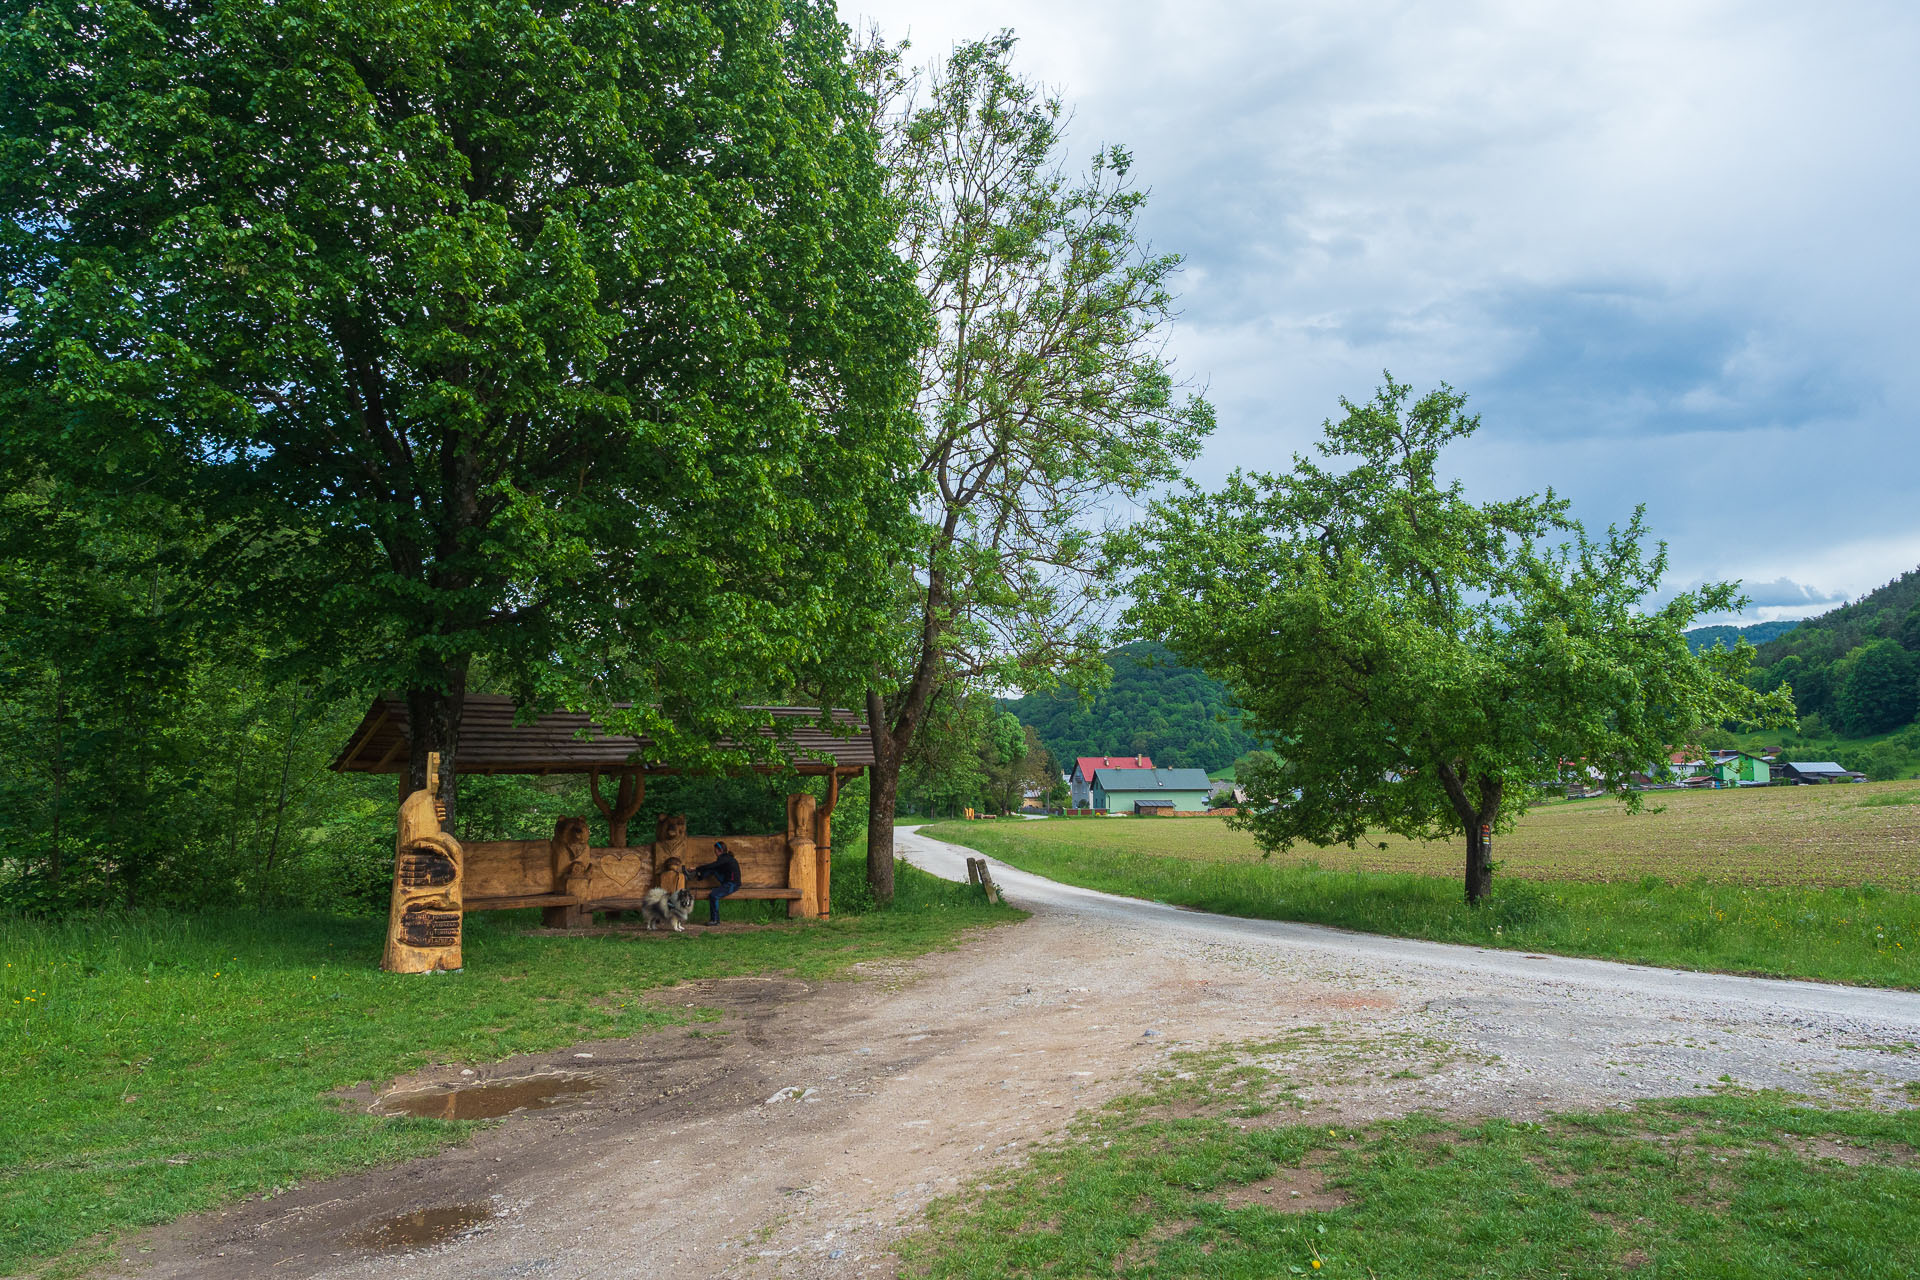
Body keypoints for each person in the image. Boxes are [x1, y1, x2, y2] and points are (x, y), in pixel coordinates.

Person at [693, 840, 742, 925]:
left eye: (715, 850)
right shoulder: (724, 859)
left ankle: (715, 920)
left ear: (719, 850)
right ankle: (697, 875)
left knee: (713, 895)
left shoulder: (725, 858)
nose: (714, 852)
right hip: (727, 881)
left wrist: (697, 868)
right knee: (713, 869)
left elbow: (712, 865)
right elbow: (714, 868)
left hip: (732, 884)